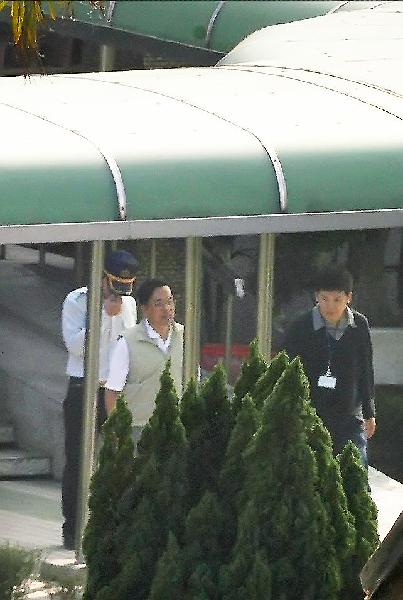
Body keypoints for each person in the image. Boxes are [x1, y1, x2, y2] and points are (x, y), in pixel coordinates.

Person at [61, 249, 138, 550]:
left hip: (114, 388)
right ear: (104, 279)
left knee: (120, 457)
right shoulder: (77, 301)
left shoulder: (129, 304)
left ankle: (113, 524)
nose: (119, 294)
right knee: (78, 460)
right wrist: (105, 316)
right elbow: (77, 347)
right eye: (114, 285)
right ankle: (73, 527)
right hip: (84, 386)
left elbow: (127, 344)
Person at [284, 265, 376, 466]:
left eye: (337, 299)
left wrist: (369, 412)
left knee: (354, 470)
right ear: (316, 297)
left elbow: (365, 369)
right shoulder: (301, 326)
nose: (330, 306)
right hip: (312, 410)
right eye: (324, 299)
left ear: (348, 298)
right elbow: (288, 369)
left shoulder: (359, 325)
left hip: (349, 412)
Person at [105, 278, 184, 447]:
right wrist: (117, 430)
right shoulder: (128, 341)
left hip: (175, 426)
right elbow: (112, 392)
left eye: (169, 302)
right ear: (144, 309)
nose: (167, 309)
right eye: (158, 303)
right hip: (137, 428)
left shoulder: (186, 337)